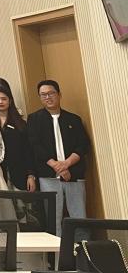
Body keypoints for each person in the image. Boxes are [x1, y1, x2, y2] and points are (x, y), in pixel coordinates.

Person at [27, 79, 90, 233]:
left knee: (79, 217)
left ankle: (82, 247)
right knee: (53, 219)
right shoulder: (34, 119)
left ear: (59, 94)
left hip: (74, 174)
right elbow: (35, 145)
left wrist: (66, 164)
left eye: (51, 93)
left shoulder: (73, 119)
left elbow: (83, 145)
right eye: (43, 95)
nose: (47, 97)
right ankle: (57, 249)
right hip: (48, 175)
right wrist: (56, 166)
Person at [0, 80, 36, 192]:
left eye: (4, 99)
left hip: (20, 172)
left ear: (10, 100)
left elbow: (28, 150)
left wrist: (31, 175)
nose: (0, 102)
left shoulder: (20, 122)